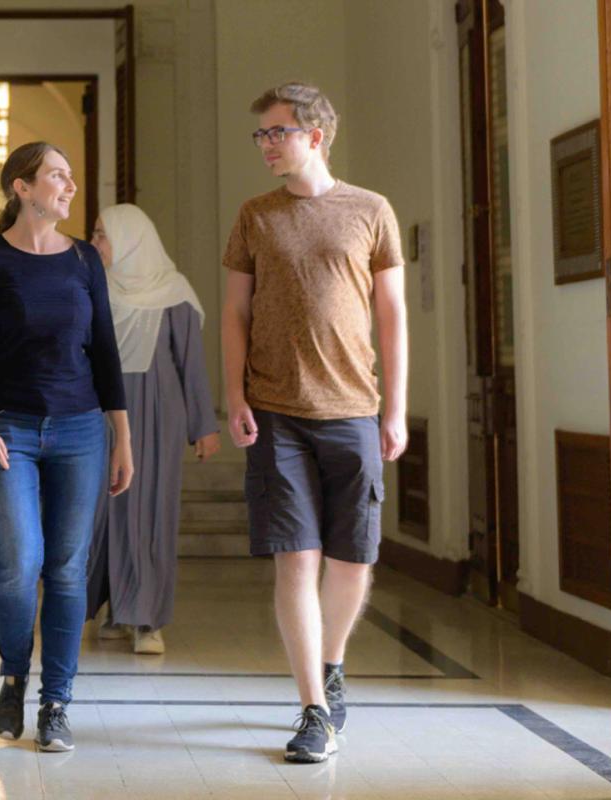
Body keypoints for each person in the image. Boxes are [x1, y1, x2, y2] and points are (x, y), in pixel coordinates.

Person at [221, 83, 408, 763]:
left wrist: (396, 405)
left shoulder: (371, 211)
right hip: (275, 412)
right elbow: (236, 314)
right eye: (262, 135)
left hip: (354, 409)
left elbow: (392, 317)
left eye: (277, 132)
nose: (267, 144)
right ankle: (312, 708)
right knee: (295, 558)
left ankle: (330, 667)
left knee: (352, 559)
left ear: (315, 136)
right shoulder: (255, 217)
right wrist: (234, 395)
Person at [0, 141, 134, 753]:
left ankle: (57, 701)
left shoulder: (83, 261)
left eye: (71, 176)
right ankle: (13, 674)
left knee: (68, 568)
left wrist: (121, 436)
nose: (69, 185)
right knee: (18, 562)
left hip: (80, 430)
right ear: (21, 187)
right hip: (6, 428)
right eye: (57, 175)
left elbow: (105, 351)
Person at [85, 203, 220, 656]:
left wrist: (204, 426)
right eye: (96, 234)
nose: (96, 243)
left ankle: (146, 620)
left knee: (149, 513)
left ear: (131, 240)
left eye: (104, 235)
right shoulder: (91, 289)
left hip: (158, 415)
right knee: (100, 514)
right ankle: (112, 606)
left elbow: (191, 364)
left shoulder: (174, 294)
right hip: (99, 413)